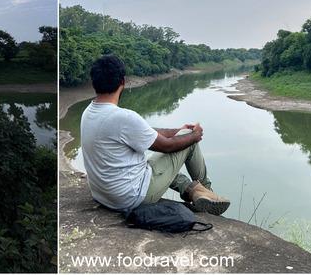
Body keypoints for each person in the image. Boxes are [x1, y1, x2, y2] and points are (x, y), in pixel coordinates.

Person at [80, 54, 231, 215]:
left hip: (103, 195)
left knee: (157, 161)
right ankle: (209, 192)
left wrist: (177, 131)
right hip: (131, 198)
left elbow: (145, 131)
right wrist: (193, 136)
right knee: (188, 141)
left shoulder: (89, 112)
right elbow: (166, 147)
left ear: (94, 82)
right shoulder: (123, 117)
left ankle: (195, 191)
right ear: (122, 82)